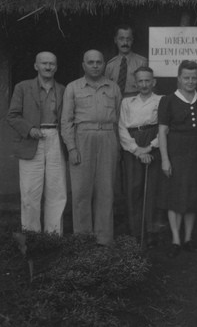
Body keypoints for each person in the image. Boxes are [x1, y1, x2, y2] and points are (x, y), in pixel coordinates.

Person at [61, 50, 122, 246]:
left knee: (106, 190)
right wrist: (71, 148)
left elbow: (120, 119)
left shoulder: (113, 87)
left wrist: (118, 146)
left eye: (98, 62)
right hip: (82, 139)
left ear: (104, 64)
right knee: (81, 191)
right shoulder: (73, 88)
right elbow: (66, 121)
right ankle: (83, 239)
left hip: (107, 138)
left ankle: (104, 239)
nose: (95, 65)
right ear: (83, 65)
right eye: (91, 62)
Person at [7, 51, 66, 234]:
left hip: (55, 138)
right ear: (36, 66)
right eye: (44, 63)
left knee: (57, 190)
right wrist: (30, 129)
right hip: (31, 139)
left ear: (56, 67)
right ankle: (32, 237)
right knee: (30, 192)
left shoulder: (63, 89)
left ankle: (53, 236)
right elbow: (12, 115)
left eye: (52, 64)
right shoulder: (23, 87)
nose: (48, 67)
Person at [158, 60, 197, 258]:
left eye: (194, 78)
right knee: (175, 197)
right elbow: (162, 131)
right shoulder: (168, 100)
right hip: (176, 152)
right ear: (179, 78)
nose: (190, 81)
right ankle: (175, 239)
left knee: (193, 197)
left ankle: (188, 238)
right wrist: (165, 159)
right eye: (186, 78)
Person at [118, 66, 162, 247]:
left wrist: (150, 147)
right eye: (140, 81)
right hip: (132, 145)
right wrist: (136, 150)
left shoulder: (161, 100)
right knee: (133, 188)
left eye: (147, 80)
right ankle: (135, 232)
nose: (144, 84)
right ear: (135, 83)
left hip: (153, 142)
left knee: (152, 189)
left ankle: (151, 231)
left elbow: (165, 127)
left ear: (154, 82)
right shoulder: (127, 102)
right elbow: (121, 128)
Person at [105, 24, 148, 97]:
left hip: (135, 104)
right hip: (115, 103)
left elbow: (148, 88)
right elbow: (106, 90)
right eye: (121, 39)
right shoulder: (110, 65)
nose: (125, 43)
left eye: (128, 39)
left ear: (132, 40)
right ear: (115, 40)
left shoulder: (142, 63)